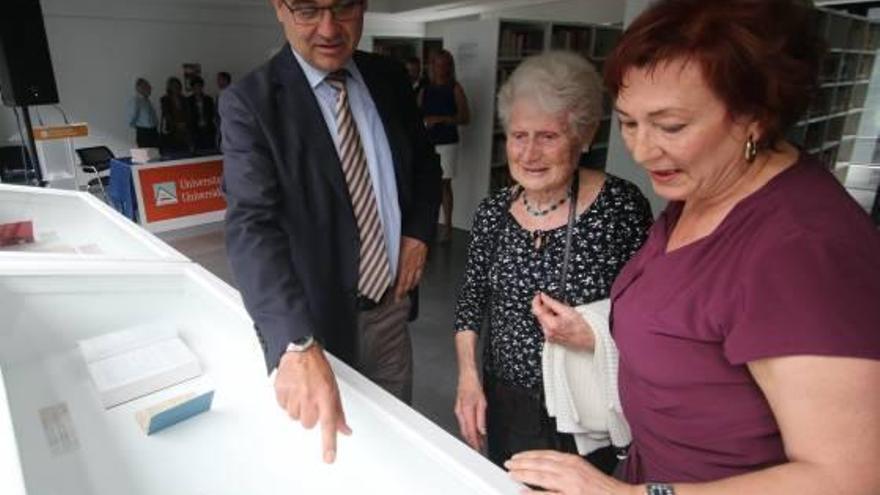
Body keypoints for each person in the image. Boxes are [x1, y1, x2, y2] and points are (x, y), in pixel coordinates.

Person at [505, 1, 880, 494]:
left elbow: (849, 478)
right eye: (628, 122)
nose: (641, 151)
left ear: (755, 115)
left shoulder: (804, 250)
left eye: (671, 126)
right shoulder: (703, 189)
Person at [220, 0, 441, 465]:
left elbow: (424, 163)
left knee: (395, 445)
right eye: (307, 10)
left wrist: (419, 232)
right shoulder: (251, 102)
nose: (328, 28)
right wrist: (295, 341)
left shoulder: (389, 78)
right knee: (329, 456)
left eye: (342, 7)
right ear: (279, 8)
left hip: (389, 309)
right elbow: (251, 227)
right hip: (316, 325)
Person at [453, 51, 653, 474]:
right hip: (508, 400)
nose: (529, 154)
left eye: (547, 136)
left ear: (582, 136)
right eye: (518, 135)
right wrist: (469, 380)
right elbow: (471, 303)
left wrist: (596, 333)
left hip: (584, 406)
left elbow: (651, 310)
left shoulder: (620, 207)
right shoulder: (492, 212)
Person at [419, 49, 470, 242]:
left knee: (443, 185)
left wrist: (441, 119)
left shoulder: (455, 88)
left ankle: (447, 226)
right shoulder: (425, 89)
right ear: (432, 66)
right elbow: (416, 114)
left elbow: (465, 117)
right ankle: (429, 225)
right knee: (426, 184)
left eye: (445, 64)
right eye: (437, 64)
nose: (441, 68)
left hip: (447, 142)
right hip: (427, 141)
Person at [159, 76, 190, 152]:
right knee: (174, 150)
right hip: (172, 130)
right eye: (173, 86)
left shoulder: (184, 99)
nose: (176, 88)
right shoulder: (165, 99)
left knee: (185, 149)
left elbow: (188, 113)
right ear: (170, 87)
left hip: (185, 129)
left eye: (177, 86)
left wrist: (184, 123)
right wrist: (176, 124)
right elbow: (166, 114)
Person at [186, 76, 217, 151]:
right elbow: (188, 116)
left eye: (199, 86)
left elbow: (212, 113)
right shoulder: (188, 100)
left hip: (208, 128)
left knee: (210, 149)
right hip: (195, 130)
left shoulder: (208, 99)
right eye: (195, 87)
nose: (198, 89)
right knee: (199, 150)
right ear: (192, 88)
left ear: (202, 87)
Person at [127, 78, 159, 148]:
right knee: (146, 155)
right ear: (139, 88)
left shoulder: (148, 101)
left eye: (149, 87)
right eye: (146, 87)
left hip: (153, 131)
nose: (149, 89)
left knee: (156, 152)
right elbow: (132, 117)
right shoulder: (136, 101)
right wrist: (139, 127)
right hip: (144, 132)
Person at [216, 71, 232, 149]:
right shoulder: (219, 95)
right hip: (221, 125)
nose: (217, 82)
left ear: (225, 80)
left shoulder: (233, 94)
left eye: (220, 79)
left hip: (230, 126)